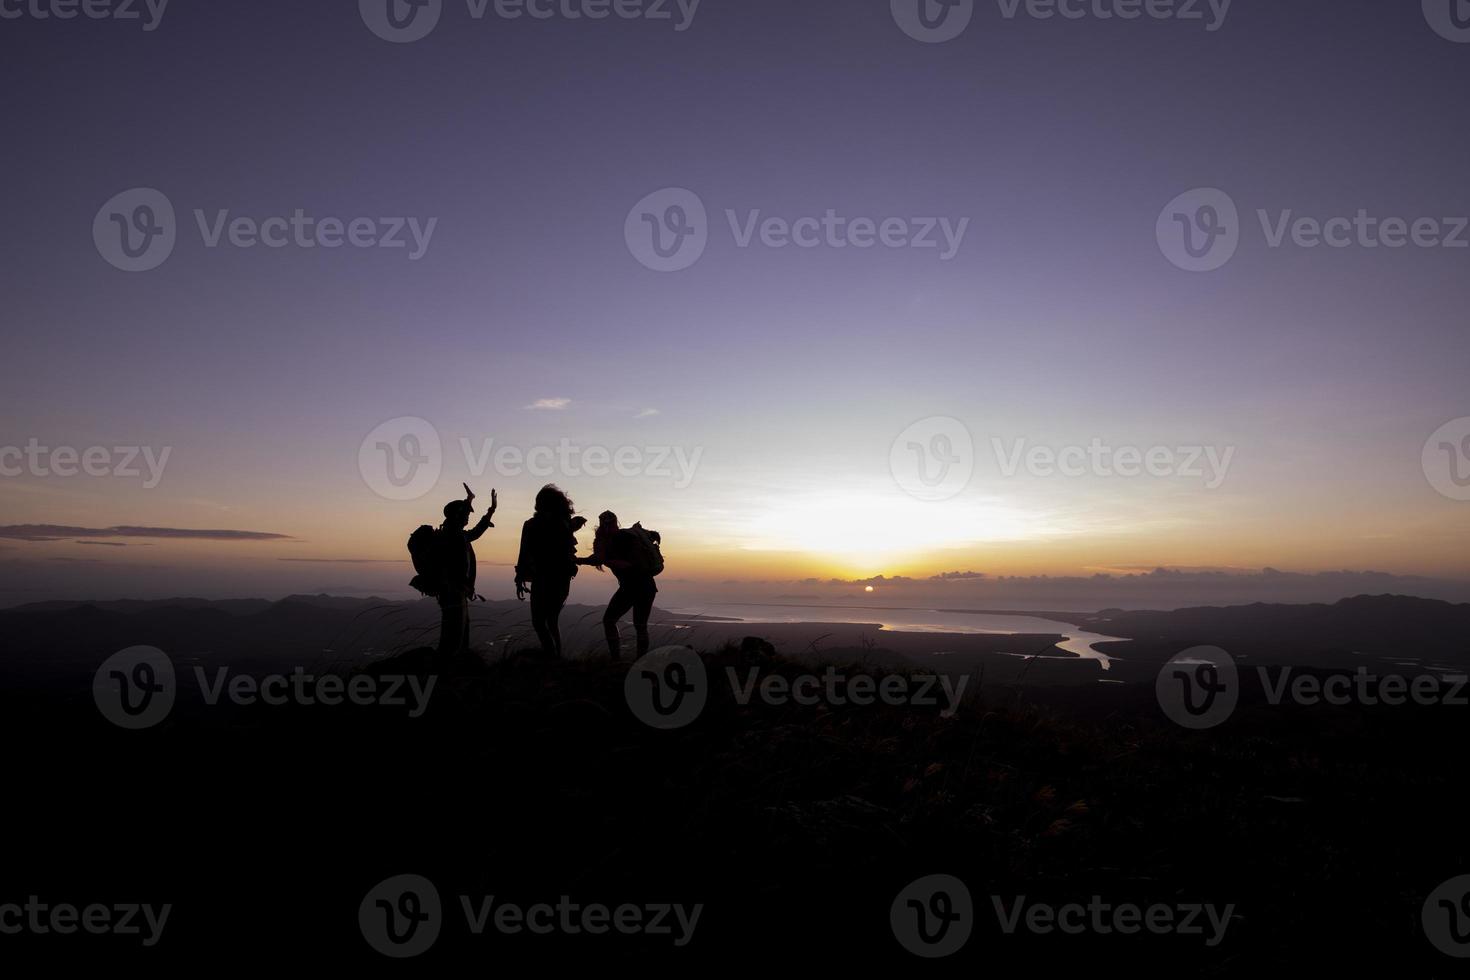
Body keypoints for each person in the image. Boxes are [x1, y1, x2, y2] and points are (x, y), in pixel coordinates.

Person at [514, 484, 590, 658]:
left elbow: (524, 552)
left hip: (543, 578)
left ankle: (551, 657)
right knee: (552, 620)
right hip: (562, 579)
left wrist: (520, 577)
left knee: (539, 622)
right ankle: (557, 657)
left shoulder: (532, 524)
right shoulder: (563, 524)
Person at [591, 510, 661, 660]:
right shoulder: (622, 537)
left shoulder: (617, 539)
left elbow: (628, 564)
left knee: (610, 620)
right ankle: (639, 662)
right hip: (646, 586)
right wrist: (579, 560)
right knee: (640, 625)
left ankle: (617, 660)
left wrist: (608, 562)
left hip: (632, 587)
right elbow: (599, 559)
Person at [437, 483, 496, 658]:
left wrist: (487, 509)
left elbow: (474, 532)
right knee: (454, 637)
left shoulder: (453, 534)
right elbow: (474, 533)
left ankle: (452, 668)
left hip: (455, 591)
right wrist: (487, 510)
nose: (468, 517)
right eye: (465, 514)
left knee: (458, 633)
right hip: (454, 591)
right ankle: (448, 674)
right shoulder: (454, 537)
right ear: (457, 516)